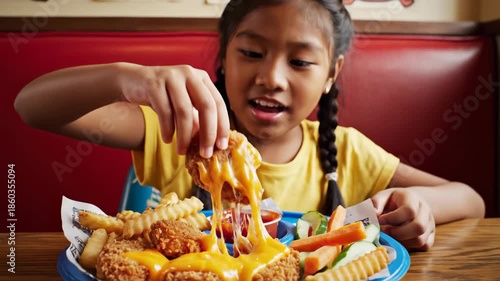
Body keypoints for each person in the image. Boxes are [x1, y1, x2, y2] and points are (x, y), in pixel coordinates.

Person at [14, 0, 484, 251]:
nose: (271, 78)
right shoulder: (178, 129)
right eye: (252, 53)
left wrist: (417, 207)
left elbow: (470, 199)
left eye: (300, 61)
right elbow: (33, 106)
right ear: (224, 56)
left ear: (331, 75)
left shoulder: (347, 151)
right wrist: (125, 76)